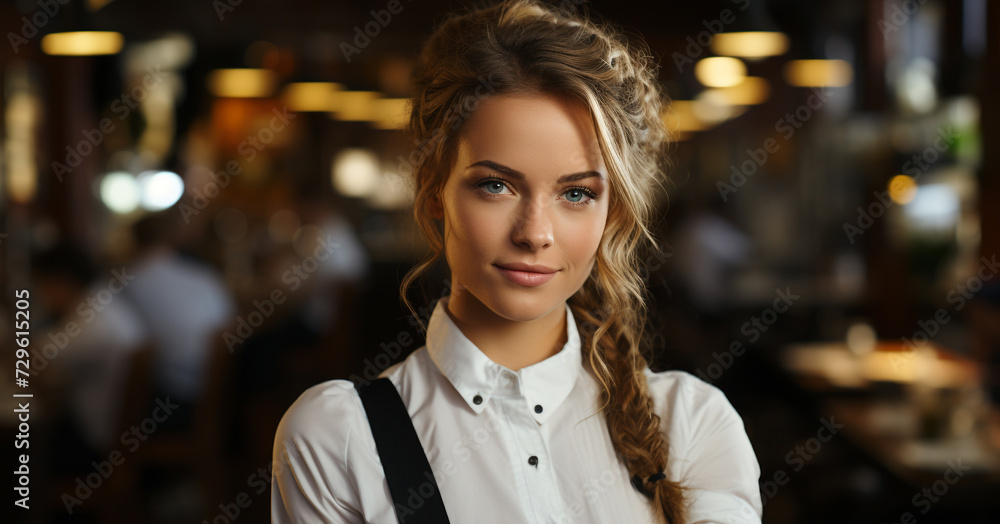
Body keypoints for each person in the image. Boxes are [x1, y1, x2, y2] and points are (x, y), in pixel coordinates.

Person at [271, 1, 762, 522]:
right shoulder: (339, 438)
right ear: (434, 190)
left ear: (611, 210)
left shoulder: (692, 425)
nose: (535, 234)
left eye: (575, 194)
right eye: (495, 185)